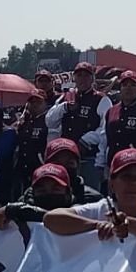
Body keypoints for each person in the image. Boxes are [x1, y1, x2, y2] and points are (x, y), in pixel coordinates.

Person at [46, 62, 112, 191]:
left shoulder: (101, 99)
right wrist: (64, 107)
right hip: (65, 159)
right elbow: (50, 121)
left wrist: (86, 140)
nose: (82, 78)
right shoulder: (65, 97)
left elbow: (106, 129)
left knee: (89, 196)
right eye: (79, 75)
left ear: (92, 78)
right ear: (74, 78)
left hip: (88, 158)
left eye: (86, 75)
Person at [15, 138, 102, 208]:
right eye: (57, 163)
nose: (63, 168)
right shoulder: (27, 200)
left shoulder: (93, 200)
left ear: (78, 166)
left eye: (69, 163)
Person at [12, 90, 50, 196]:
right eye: (31, 102)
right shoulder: (24, 121)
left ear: (45, 103)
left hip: (39, 168)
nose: (34, 104)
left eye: (38, 101)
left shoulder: (49, 120)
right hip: (22, 168)